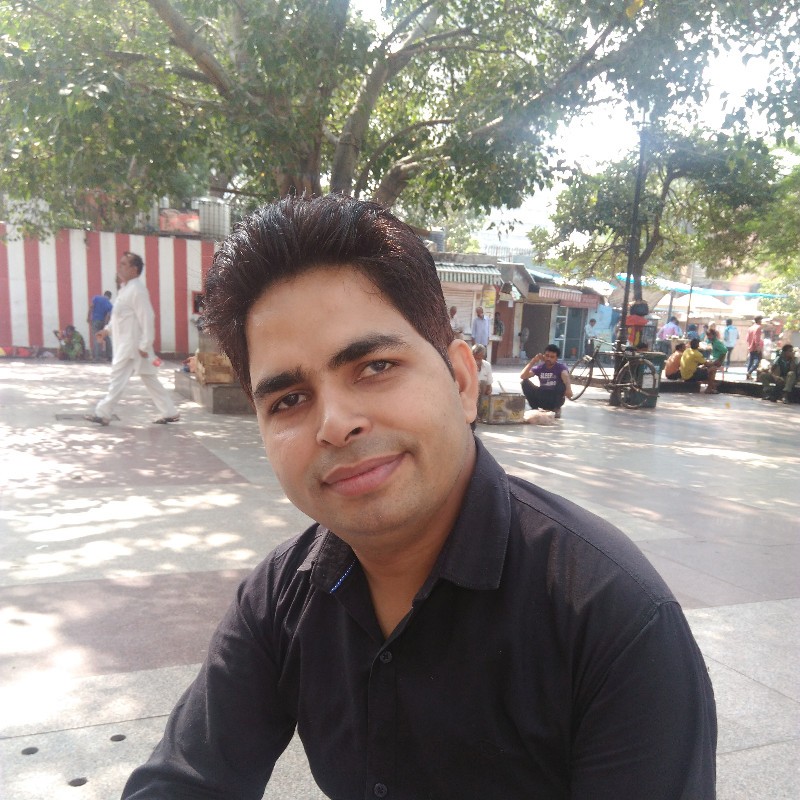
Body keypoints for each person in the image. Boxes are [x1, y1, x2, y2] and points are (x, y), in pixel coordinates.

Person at [122, 195, 716, 800]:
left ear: (461, 381)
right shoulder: (280, 598)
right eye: (289, 400)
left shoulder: (613, 619)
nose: (335, 424)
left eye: (375, 367)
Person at [84, 252, 179, 426]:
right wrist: (106, 331)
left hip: (132, 347)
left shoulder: (137, 290)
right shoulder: (125, 290)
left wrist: (145, 344)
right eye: (120, 263)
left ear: (134, 269)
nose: (119, 267)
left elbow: (147, 317)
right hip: (130, 345)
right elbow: (119, 317)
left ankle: (103, 413)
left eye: (123, 264)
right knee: (149, 377)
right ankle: (170, 412)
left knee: (117, 378)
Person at [519, 345, 574, 421]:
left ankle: (556, 409)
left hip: (554, 398)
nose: (548, 359)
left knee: (561, 385)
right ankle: (535, 408)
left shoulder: (561, 367)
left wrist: (569, 389)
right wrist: (533, 361)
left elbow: (565, 375)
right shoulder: (540, 367)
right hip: (542, 395)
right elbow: (523, 376)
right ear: (544, 356)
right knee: (524, 383)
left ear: (556, 358)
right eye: (547, 356)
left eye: (552, 357)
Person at [87, 290, 113, 361]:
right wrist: (105, 324)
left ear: (104, 294)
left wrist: (88, 317)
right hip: (103, 322)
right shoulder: (109, 304)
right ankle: (110, 355)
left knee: (97, 337)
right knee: (106, 338)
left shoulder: (96, 298)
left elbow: (91, 307)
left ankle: (97, 357)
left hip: (95, 321)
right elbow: (108, 315)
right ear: (110, 297)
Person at [472, 343, 493, 413]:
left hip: (482, 393)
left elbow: (489, 384)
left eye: (479, 358)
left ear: (483, 356)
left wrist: (489, 391)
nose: (477, 361)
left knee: (482, 383)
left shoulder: (487, 365)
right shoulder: (467, 364)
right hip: (471, 392)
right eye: (475, 358)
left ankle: (480, 411)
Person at [745, 316, 764, 380]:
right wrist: (758, 346)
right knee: (757, 362)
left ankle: (748, 376)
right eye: (761, 320)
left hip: (750, 347)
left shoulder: (750, 328)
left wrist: (750, 344)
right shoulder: (758, 327)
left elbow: (747, 339)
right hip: (755, 347)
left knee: (750, 362)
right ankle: (749, 373)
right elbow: (757, 338)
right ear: (759, 320)